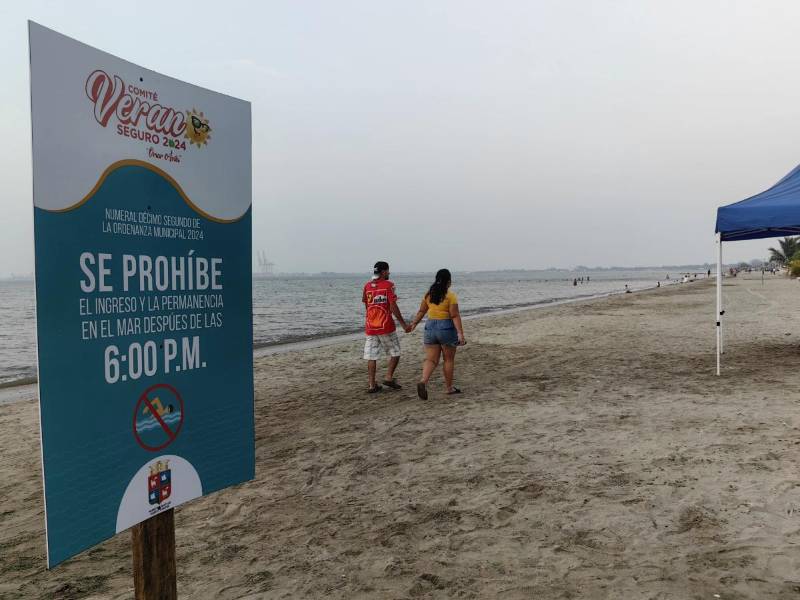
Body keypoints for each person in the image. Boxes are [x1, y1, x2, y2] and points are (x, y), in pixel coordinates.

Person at [409, 268, 465, 399]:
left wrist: (413, 324)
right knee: (448, 360)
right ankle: (449, 388)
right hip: (445, 328)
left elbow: (421, 311)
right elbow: (455, 315)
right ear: (449, 281)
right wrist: (460, 334)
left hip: (430, 327)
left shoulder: (429, 294)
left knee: (431, 359)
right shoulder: (450, 296)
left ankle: (423, 380)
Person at [362, 261, 411, 393]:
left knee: (371, 356)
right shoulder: (389, 285)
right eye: (388, 271)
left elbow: (367, 306)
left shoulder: (367, 286)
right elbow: (393, 306)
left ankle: (372, 385)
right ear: (383, 272)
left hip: (371, 326)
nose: (389, 273)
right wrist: (403, 323)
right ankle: (388, 377)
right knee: (395, 352)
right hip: (385, 325)